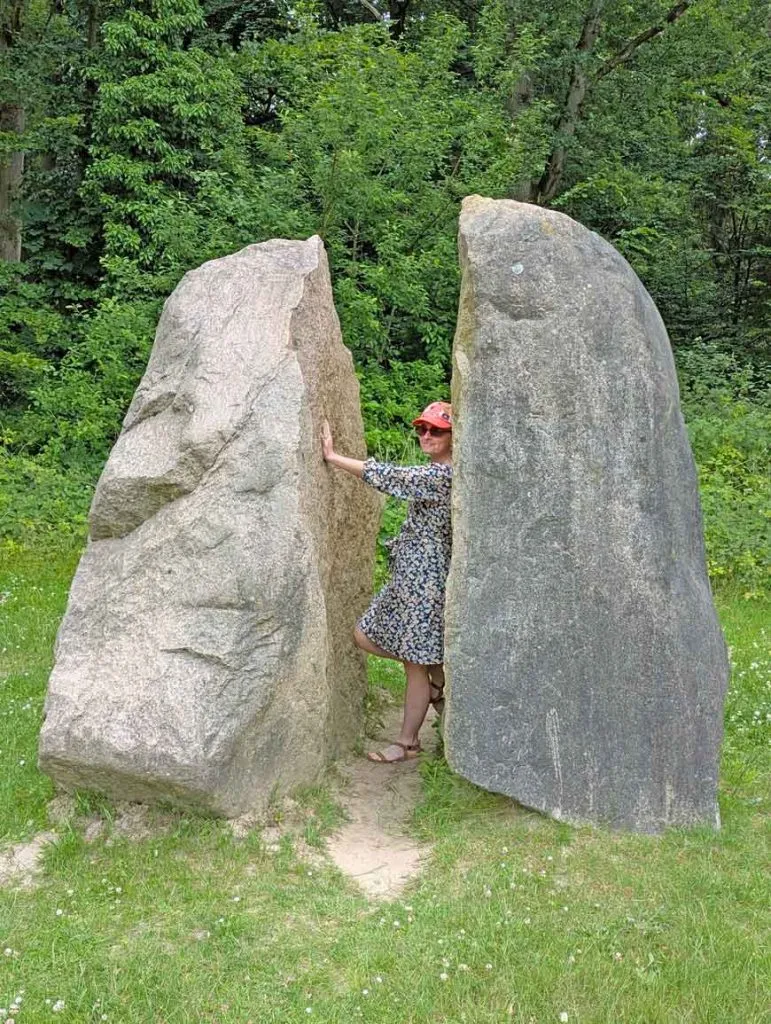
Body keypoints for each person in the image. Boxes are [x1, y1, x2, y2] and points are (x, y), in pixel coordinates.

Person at [322, 401, 453, 763]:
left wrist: (334, 458)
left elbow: (391, 477)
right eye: (422, 429)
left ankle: (408, 741)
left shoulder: (443, 476)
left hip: (426, 582)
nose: (426, 435)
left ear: (453, 437)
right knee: (364, 635)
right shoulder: (436, 471)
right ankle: (435, 680)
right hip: (409, 578)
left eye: (436, 430)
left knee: (413, 663)